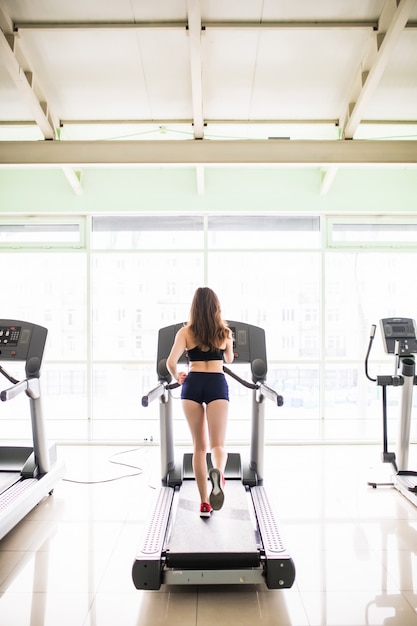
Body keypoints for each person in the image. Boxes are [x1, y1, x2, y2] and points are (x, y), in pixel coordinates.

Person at [166, 287, 234, 518]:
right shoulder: (224, 332)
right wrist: (227, 344)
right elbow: (229, 359)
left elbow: (170, 362)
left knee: (199, 448)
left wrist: (177, 376)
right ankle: (219, 471)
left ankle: (205, 503)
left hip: (193, 383)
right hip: (216, 382)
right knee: (218, 446)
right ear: (216, 307)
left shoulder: (185, 332)